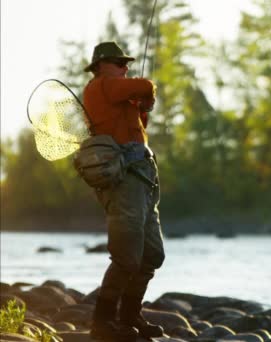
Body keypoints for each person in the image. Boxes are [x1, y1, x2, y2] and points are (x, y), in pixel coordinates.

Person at [83, 41, 165, 341]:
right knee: (126, 257)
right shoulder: (101, 86)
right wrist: (146, 92)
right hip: (124, 183)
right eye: (120, 63)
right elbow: (143, 84)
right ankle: (102, 323)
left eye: (125, 63)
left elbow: (139, 118)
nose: (125, 67)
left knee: (152, 255)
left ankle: (130, 316)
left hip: (144, 180)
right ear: (102, 65)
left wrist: (143, 106)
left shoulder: (117, 93)